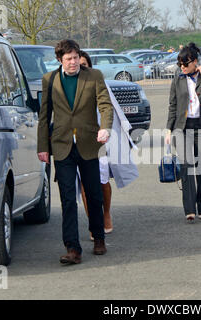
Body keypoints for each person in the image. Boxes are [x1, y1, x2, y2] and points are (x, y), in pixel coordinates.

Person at [37, 39, 113, 265]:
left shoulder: (94, 76)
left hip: (89, 143)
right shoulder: (49, 80)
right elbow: (44, 116)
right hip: (62, 146)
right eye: (68, 58)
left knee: (93, 194)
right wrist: (43, 147)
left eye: (76, 57)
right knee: (68, 198)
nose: (74, 62)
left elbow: (105, 105)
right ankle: (72, 248)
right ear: (59, 60)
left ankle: (98, 238)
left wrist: (105, 127)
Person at [78, 51, 139, 239]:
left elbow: (114, 112)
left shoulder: (99, 84)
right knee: (84, 183)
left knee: (102, 180)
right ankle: (93, 222)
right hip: (79, 140)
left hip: (101, 138)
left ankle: (105, 214)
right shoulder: (68, 87)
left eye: (84, 65)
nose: (81, 69)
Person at [165, 42, 201, 222]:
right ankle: (189, 209)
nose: (182, 67)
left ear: (195, 61)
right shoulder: (178, 78)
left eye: (185, 64)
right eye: (180, 64)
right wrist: (168, 129)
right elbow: (173, 104)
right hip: (183, 127)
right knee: (186, 168)